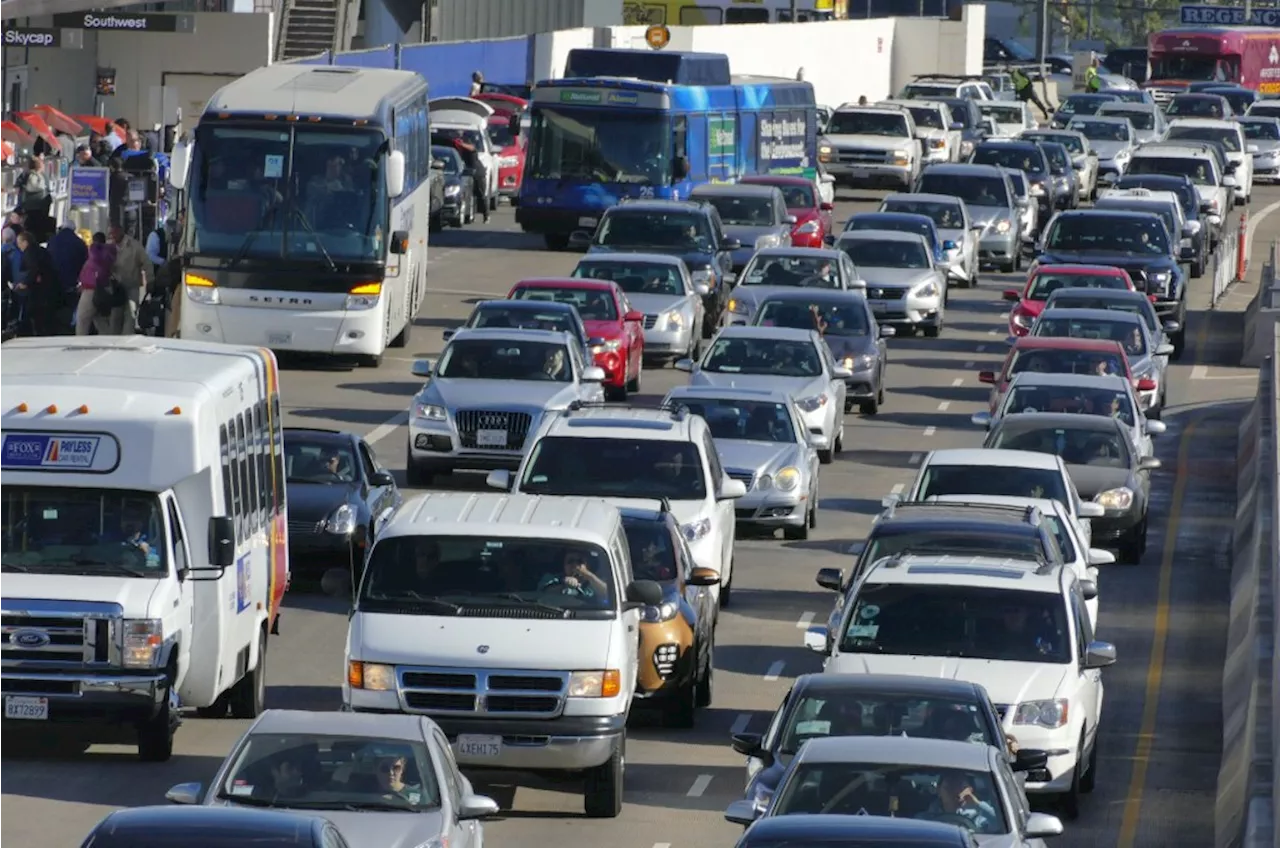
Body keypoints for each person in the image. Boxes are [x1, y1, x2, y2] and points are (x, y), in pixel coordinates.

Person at [921, 772, 999, 832]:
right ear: (938, 790)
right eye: (949, 787)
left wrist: (978, 804)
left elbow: (1001, 825)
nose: (956, 792)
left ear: (970, 790)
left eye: (961, 787)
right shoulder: (924, 819)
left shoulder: (978, 819)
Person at [16, 232, 60, 336]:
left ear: (25, 242)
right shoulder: (41, 250)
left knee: (33, 312)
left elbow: (33, 269)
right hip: (50, 287)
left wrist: (25, 283)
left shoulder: (29, 252)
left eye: (19, 243)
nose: (18, 246)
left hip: (38, 290)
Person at [108, 225, 149, 334]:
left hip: (132, 287)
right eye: (111, 234)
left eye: (115, 233)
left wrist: (150, 279)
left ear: (121, 231)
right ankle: (113, 340)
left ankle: (127, 338)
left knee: (130, 315)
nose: (113, 236)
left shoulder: (134, 246)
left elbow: (147, 263)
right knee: (115, 316)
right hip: (116, 288)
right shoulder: (109, 246)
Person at [76, 232, 117, 336]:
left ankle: (80, 342)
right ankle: (107, 341)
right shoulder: (110, 253)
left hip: (91, 289)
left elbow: (93, 268)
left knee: (82, 319)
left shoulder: (96, 251)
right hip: (104, 289)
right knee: (100, 319)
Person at [538, 549, 609, 599]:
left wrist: (589, 576)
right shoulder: (551, 578)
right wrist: (564, 584)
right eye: (570, 561)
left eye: (580, 561)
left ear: (588, 565)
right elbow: (544, 594)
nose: (575, 565)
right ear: (563, 565)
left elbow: (608, 594)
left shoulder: (594, 583)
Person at [451, 136, 491, 223]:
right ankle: (471, 215)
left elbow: (472, 148)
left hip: (479, 174)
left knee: (481, 195)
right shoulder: (459, 152)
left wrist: (461, 144)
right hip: (469, 173)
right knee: (471, 195)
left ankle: (486, 216)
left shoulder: (470, 149)